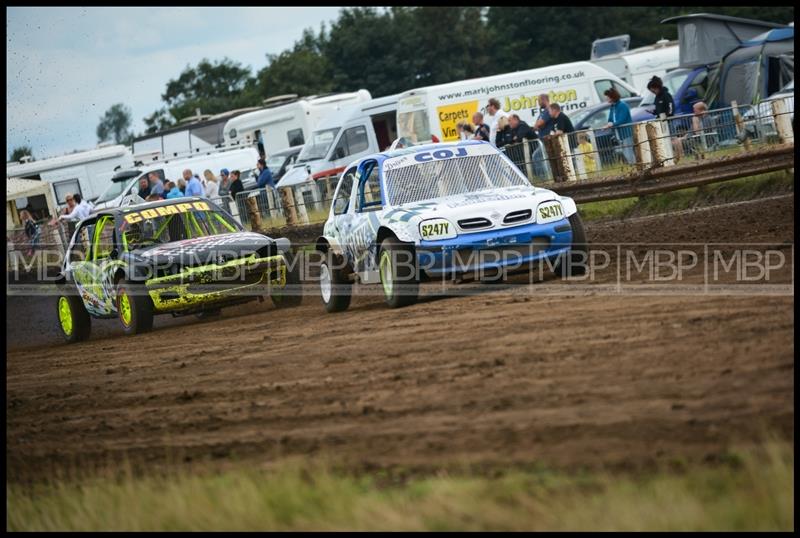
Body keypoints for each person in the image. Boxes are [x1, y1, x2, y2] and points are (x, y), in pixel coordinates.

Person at [603, 87, 635, 165]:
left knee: (628, 152)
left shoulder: (622, 105)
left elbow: (622, 120)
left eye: (607, 96)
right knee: (625, 152)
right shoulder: (612, 106)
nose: (606, 98)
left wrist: (612, 124)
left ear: (612, 97)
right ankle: (634, 167)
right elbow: (610, 119)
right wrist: (608, 124)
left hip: (626, 133)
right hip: (618, 134)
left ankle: (635, 167)